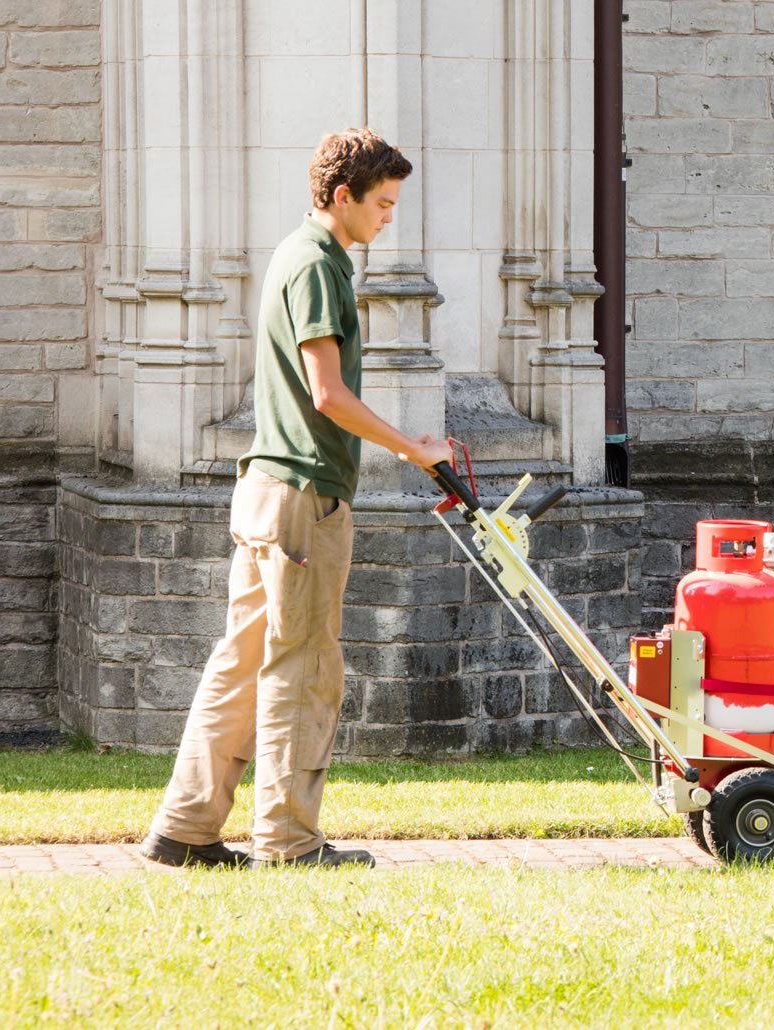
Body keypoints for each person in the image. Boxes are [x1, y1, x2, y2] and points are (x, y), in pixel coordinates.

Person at [141, 128, 451, 869]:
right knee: (303, 664)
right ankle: (288, 841)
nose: (387, 218)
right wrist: (414, 448)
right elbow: (328, 393)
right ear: (341, 197)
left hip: (264, 492)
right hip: (302, 497)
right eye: (380, 203)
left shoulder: (294, 254)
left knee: (243, 661)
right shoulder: (318, 265)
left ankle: (184, 829)